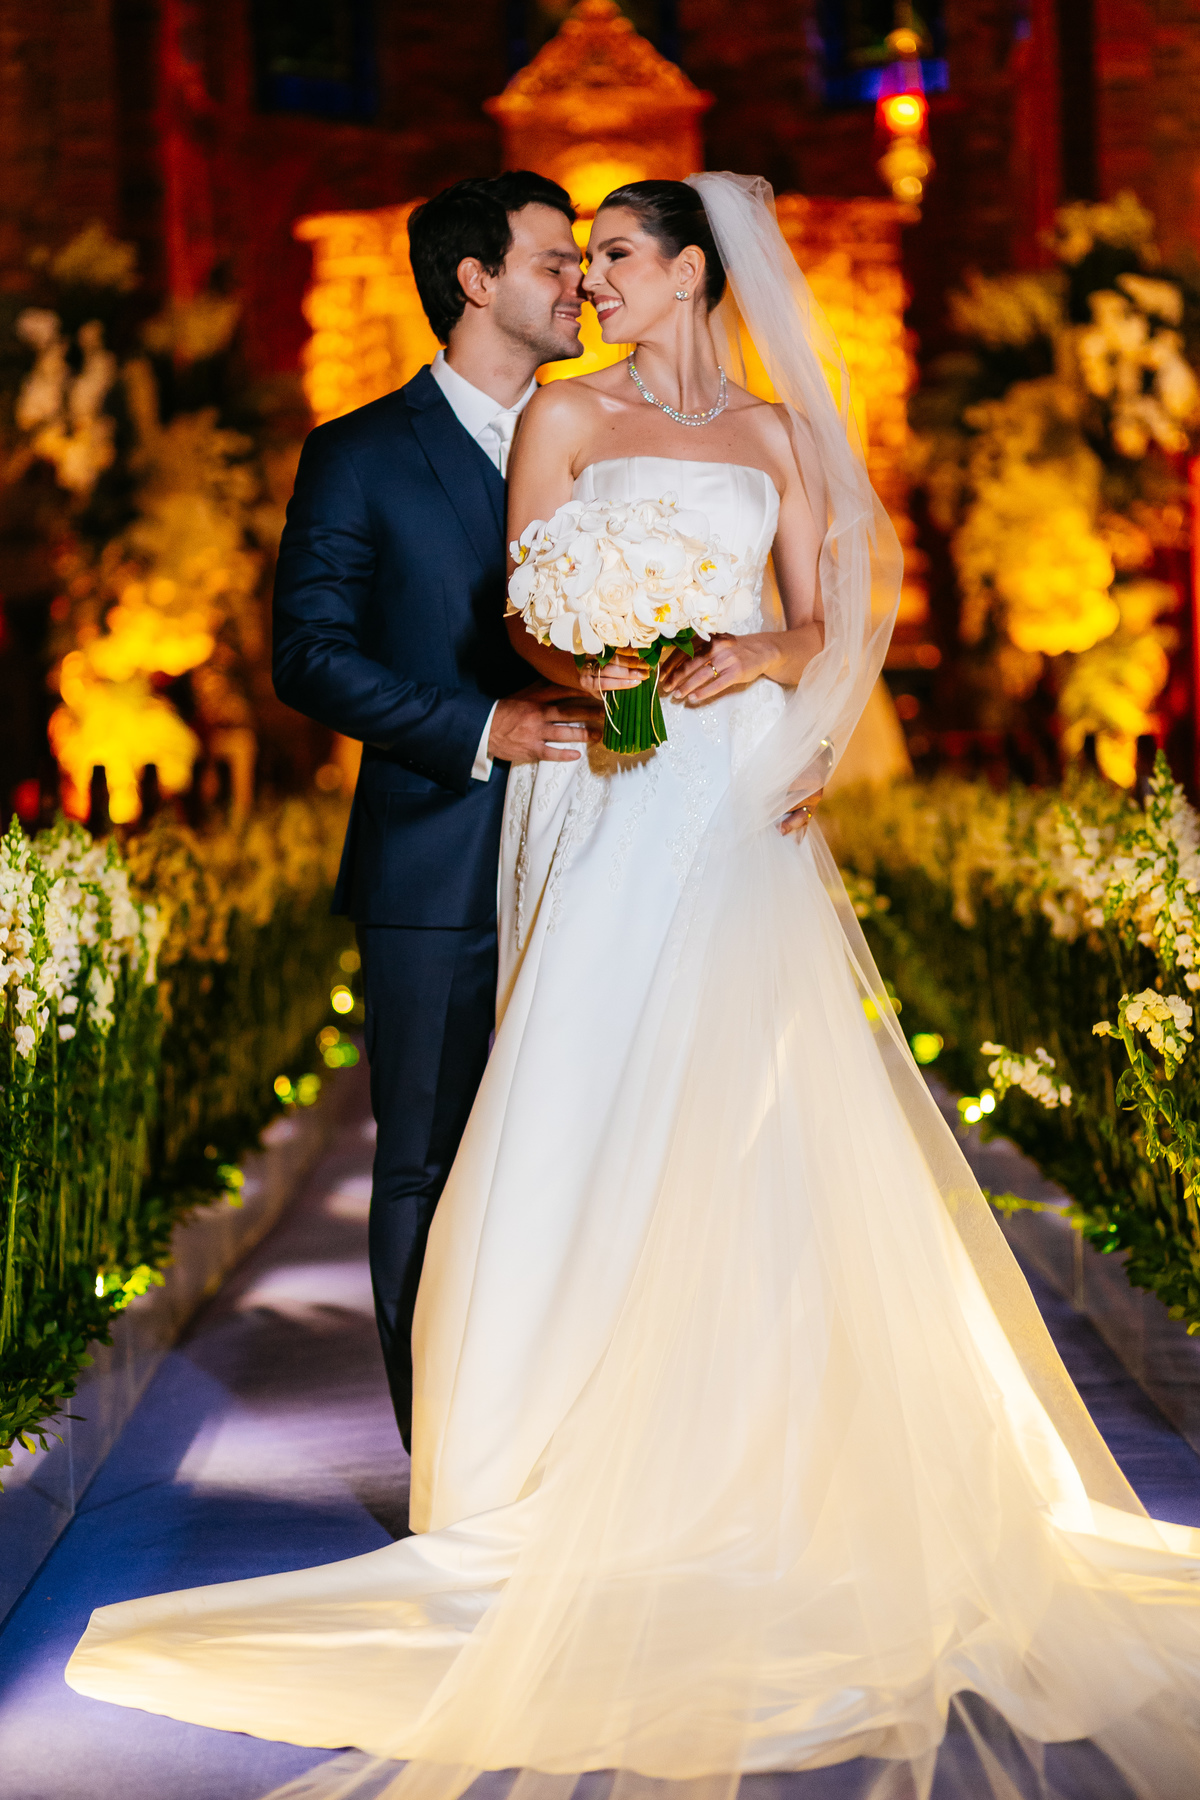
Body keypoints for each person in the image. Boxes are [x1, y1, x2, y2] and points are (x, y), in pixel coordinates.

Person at [68, 176, 1200, 1800]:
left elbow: (825, 618)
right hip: (607, 779)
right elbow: (526, 609)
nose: (590, 277)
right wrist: (594, 663)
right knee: (576, 1085)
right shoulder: (564, 413)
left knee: (756, 1101)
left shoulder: (778, 432)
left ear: (690, 271)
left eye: (611, 254)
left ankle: (766, 1449)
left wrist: (769, 669)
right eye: (572, 254)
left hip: (733, 788)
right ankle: (526, 1461)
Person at [271, 172, 602, 1451]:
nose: (580, 282)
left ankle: (571, 1442)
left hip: (600, 848)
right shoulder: (359, 453)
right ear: (476, 279)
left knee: (588, 1149)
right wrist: (478, 726)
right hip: (434, 855)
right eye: (554, 261)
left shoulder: (611, 446)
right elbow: (309, 655)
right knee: (426, 1157)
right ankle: (447, 1462)